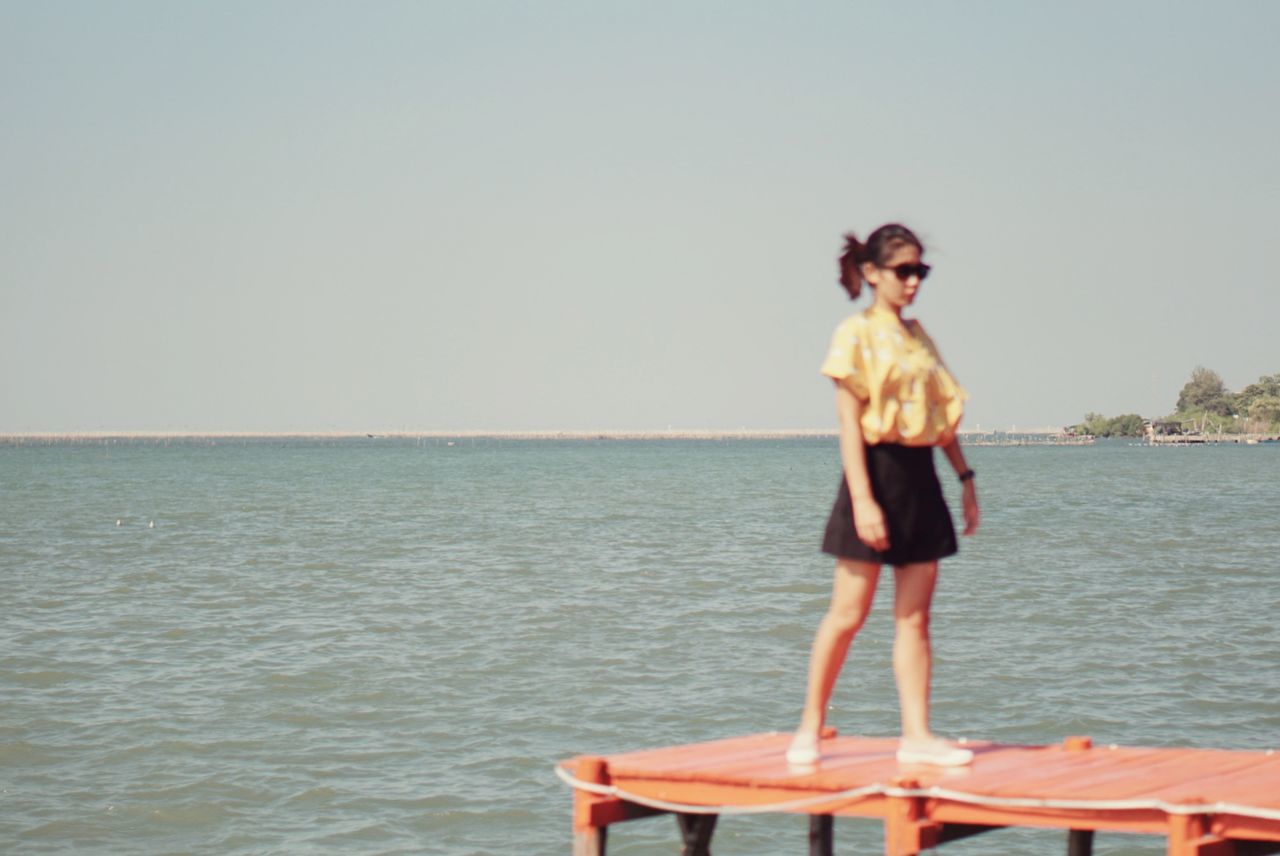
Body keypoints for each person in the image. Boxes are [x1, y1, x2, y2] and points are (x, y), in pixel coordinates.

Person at [786, 224, 980, 767]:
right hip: (873, 471)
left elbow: (941, 420)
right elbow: (849, 424)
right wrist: (864, 499)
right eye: (904, 271)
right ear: (873, 273)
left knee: (914, 618)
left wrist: (966, 480)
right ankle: (808, 727)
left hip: (922, 475)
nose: (914, 281)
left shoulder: (919, 338)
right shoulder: (854, 333)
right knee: (848, 613)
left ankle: (917, 736)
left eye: (921, 271)